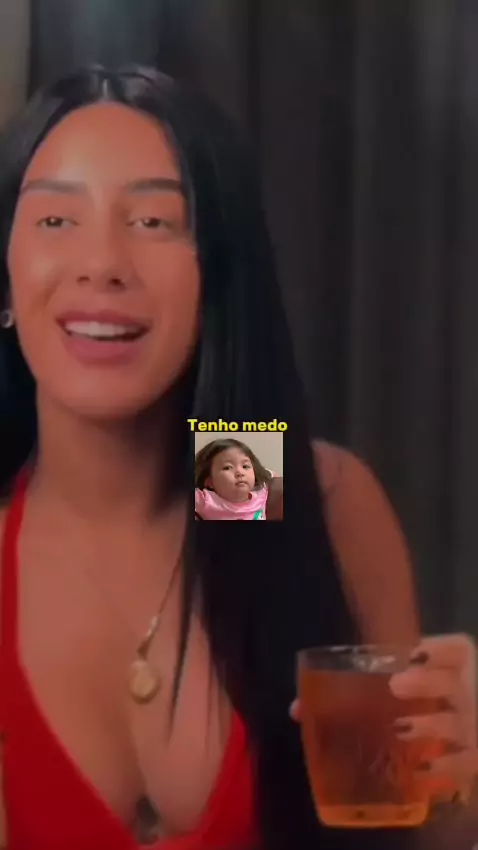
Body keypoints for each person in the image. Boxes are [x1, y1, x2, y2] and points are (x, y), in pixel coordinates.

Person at [0, 64, 474, 850]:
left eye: (154, 221)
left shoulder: (270, 489)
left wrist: (460, 790)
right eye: (56, 220)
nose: (102, 262)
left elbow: (410, 829)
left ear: (216, 273)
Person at [194, 438, 282, 520]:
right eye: (227, 467)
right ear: (209, 482)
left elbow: (268, 474)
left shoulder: (261, 493)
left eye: (245, 466)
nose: (240, 472)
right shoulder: (206, 501)